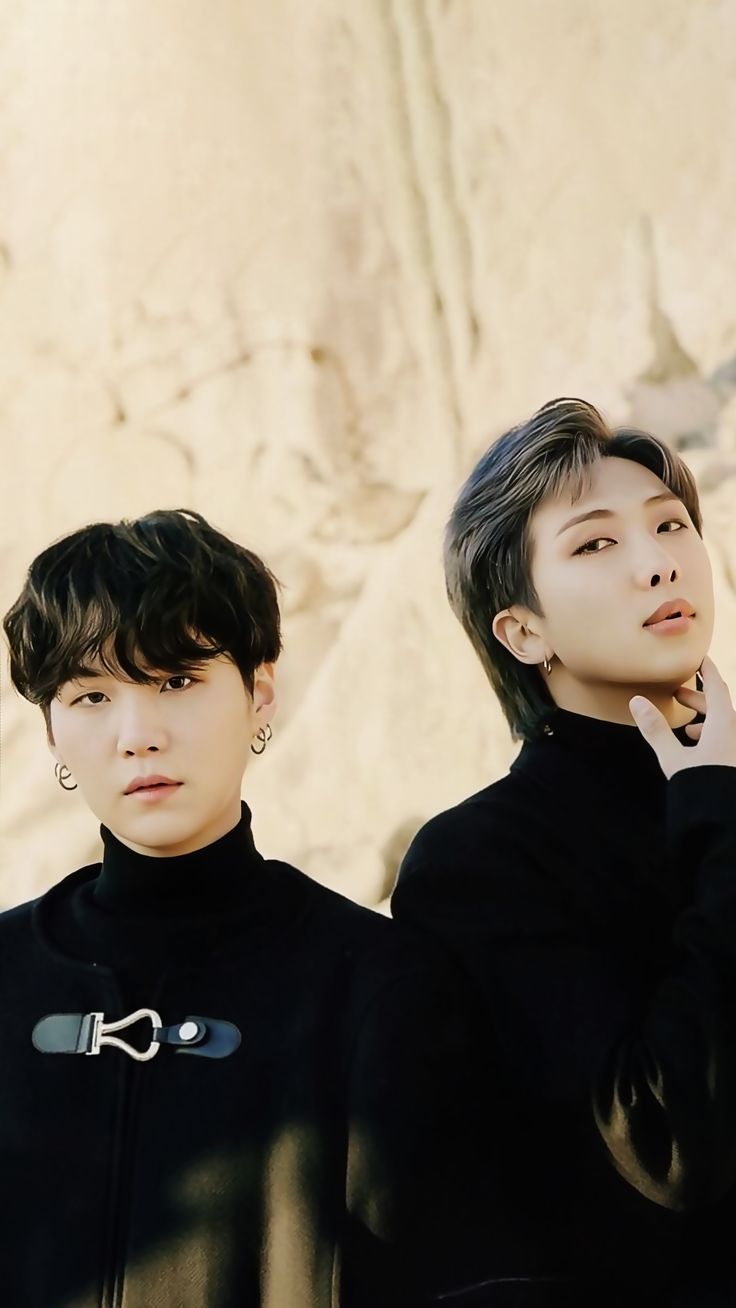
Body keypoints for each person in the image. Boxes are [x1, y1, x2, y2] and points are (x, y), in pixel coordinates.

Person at [1, 507, 474, 1308]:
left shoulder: (378, 985)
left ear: (260, 695)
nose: (137, 734)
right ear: (50, 734)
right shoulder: (8, 978)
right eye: (89, 697)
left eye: (177, 681)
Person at [392, 398, 736, 1307]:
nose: (659, 558)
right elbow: (663, 1140)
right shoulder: (478, 864)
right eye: (595, 545)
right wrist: (718, 817)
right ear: (523, 631)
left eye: (670, 525)